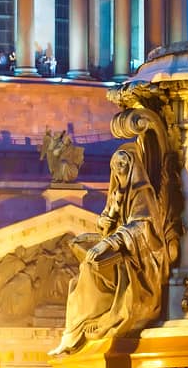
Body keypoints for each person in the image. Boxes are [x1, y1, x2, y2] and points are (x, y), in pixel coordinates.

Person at [54, 146, 169, 354]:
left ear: (133, 167)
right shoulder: (117, 193)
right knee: (77, 280)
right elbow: (106, 226)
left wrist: (108, 243)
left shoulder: (142, 193)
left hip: (139, 260)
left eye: (124, 164)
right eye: (116, 165)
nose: (120, 168)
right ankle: (76, 329)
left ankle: (87, 324)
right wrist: (106, 219)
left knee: (89, 269)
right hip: (123, 253)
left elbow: (142, 226)